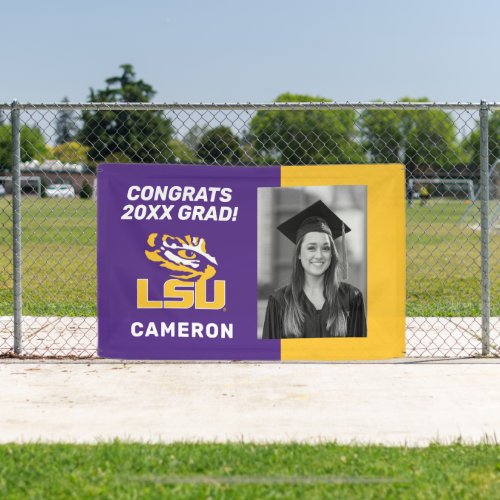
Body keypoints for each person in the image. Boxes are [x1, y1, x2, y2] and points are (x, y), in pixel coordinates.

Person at [262, 200, 366, 339]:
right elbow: (271, 357)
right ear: (299, 253)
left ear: (332, 254)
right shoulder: (280, 302)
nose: (319, 255)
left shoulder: (351, 298)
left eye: (325, 248)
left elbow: (360, 354)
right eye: (311, 248)